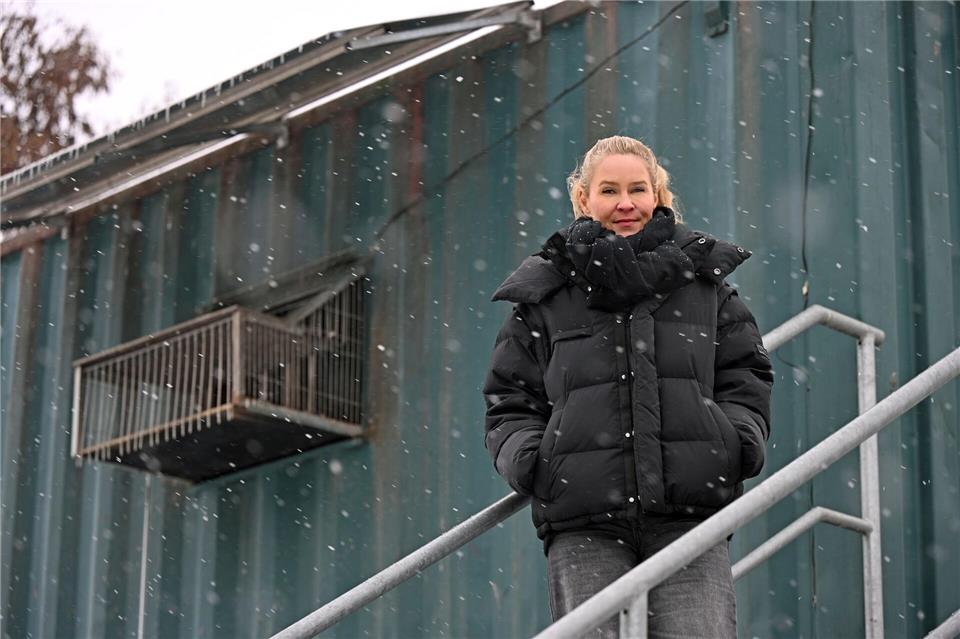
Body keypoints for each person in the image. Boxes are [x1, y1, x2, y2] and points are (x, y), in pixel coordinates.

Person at [482, 135, 773, 638]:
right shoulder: (545, 295)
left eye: (637, 189)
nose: (625, 204)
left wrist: (737, 442)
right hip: (584, 522)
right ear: (583, 199)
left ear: (657, 195)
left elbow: (745, 374)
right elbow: (510, 398)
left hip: (689, 515)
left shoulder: (705, 286)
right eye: (609, 190)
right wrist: (532, 461)